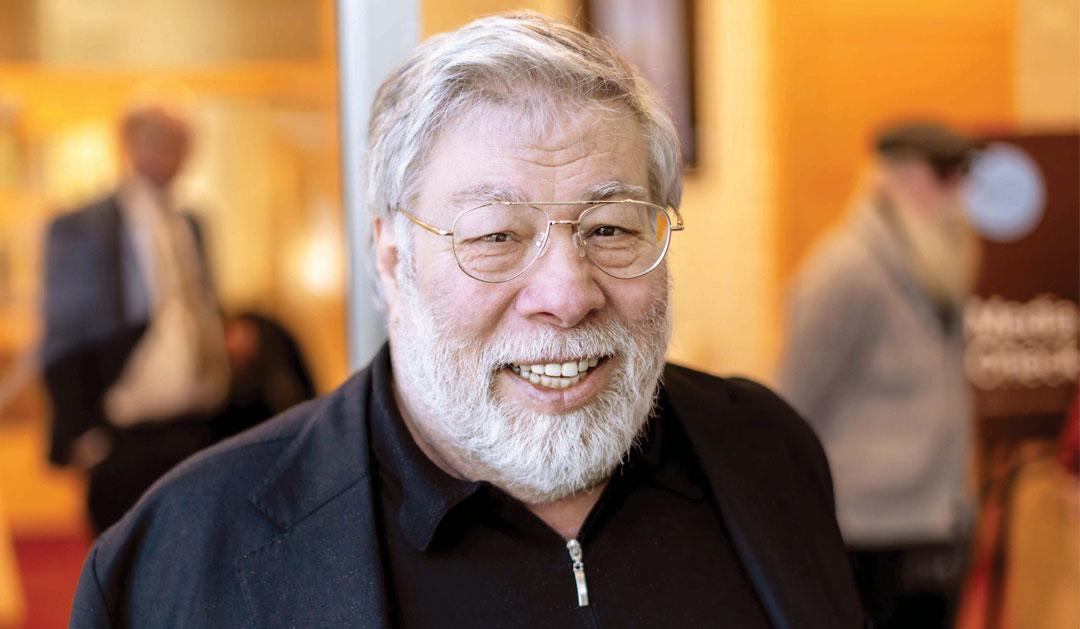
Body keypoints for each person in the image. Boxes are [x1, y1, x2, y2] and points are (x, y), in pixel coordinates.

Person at [71, 13, 863, 628]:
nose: (566, 292)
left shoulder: (769, 454)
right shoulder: (179, 558)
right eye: (496, 236)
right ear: (391, 257)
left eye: (611, 228)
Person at [778, 121, 982, 628]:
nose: (957, 191)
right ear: (894, 177)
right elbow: (791, 403)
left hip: (934, 518)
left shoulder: (934, 263)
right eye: (942, 174)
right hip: (866, 532)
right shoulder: (847, 269)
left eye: (961, 174)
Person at [41, 105, 230, 533]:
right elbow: (65, 333)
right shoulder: (83, 226)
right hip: (123, 429)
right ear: (129, 146)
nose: (170, 156)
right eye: (158, 142)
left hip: (195, 424)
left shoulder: (191, 223)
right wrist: (85, 432)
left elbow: (200, 307)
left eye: (179, 145)